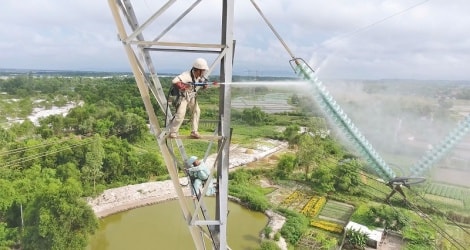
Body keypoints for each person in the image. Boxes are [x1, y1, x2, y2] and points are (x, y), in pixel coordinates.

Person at [168, 58, 210, 139]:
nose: (204, 72)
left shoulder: (199, 77)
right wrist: (183, 86)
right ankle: (173, 132)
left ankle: (194, 131)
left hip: (191, 96)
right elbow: (175, 81)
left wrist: (204, 85)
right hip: (183, 96)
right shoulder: (186, 75)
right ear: (198, 70)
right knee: (180, 114)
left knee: (196, 111)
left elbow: (201, 83)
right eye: (203, 70)